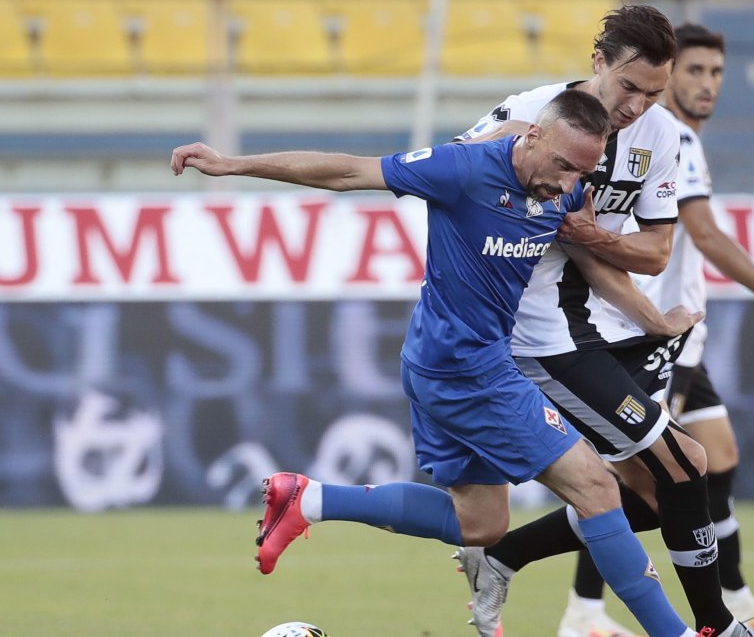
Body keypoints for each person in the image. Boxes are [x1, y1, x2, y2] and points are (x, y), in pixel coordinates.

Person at [170, 90, 706, 637]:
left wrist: (654, 319)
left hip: (437, 363)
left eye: (583, 173)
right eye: (564, 166)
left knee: (480, 523)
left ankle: (309, 499)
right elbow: (349, 173)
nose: (569, 184)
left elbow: (597, 266)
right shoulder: (463, 169)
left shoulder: (565, 194)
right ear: (533, 135)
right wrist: (234, 164)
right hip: (470, 371)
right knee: (598, 488)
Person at [452, 6, 754, 637]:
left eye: (653, 92)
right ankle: (715, 625)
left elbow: (655, 251)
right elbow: (455, 170)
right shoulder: (536, 113)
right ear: (599, 62)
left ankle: (503, 558)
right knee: (686, 461)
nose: (638, 105)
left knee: (645, 497)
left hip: (614, 328)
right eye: (629, 87)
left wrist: (591, 235)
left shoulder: (663, 135)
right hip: (540, 340)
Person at [556, 24, 754, 637]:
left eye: (715, 73)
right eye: (693, 72)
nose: (705, 85)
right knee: (649, 480)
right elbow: (701, 235)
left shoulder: (668, 142)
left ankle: (733, 595)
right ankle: (587, 608)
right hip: (646, 330)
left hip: (679, 332)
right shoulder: (663, 138)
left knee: (715, 456)